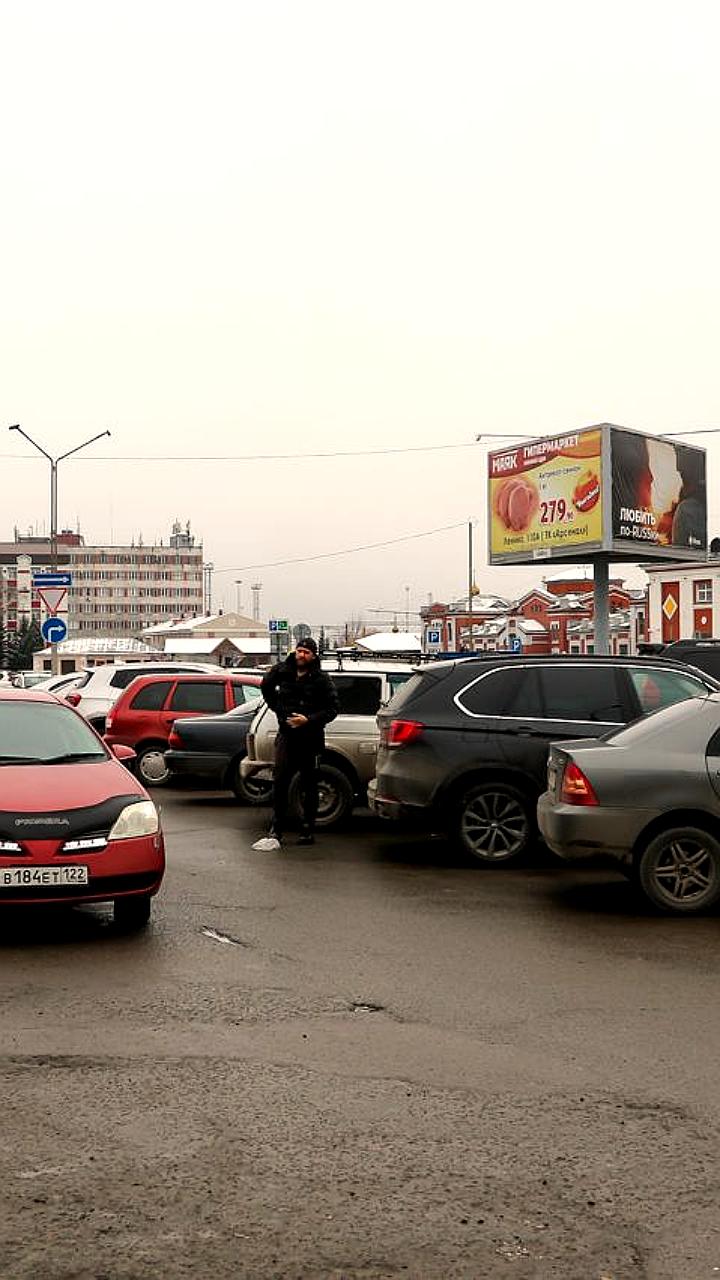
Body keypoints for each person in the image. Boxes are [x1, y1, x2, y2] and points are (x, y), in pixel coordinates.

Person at [251, 637, 338, 851]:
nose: (301, 655)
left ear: (314, 655)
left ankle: (307, 828)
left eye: (306, 652)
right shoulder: (282, 671)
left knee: (309, 785)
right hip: (287, 737)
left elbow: (332, 709)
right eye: (299, 651)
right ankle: (276, 829)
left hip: (311, 738)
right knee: (280, 783)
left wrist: (308, 719)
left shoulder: (321, 679)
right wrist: (279, 710)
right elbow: (266, 686)